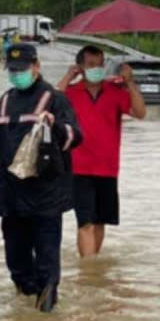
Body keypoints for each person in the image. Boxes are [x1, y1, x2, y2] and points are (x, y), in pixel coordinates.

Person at [0, 43, 83, 313]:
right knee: (16, 260)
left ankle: (45, 319)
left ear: (36, 67)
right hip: (11, 194)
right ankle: (23, 311)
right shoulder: (7, 100)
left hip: (45, 194)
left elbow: (75, 137)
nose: (17, 74)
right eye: (13, 70)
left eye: (23, 69)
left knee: (46, 260)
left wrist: (53, 125)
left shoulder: (55, 99)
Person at [57, 45, 147, 258]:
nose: (96, 69)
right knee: (85, 222)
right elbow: (50, 104)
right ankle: (88, 271)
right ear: (80, 66)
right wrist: (68, 76)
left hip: (108, 168)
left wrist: (130, 82)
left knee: (99, 222)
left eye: (99, 64)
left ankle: (93, 267)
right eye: (90, 65)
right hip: (78, 167)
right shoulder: (71, 93)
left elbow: (140, 113)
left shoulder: (115, 93)